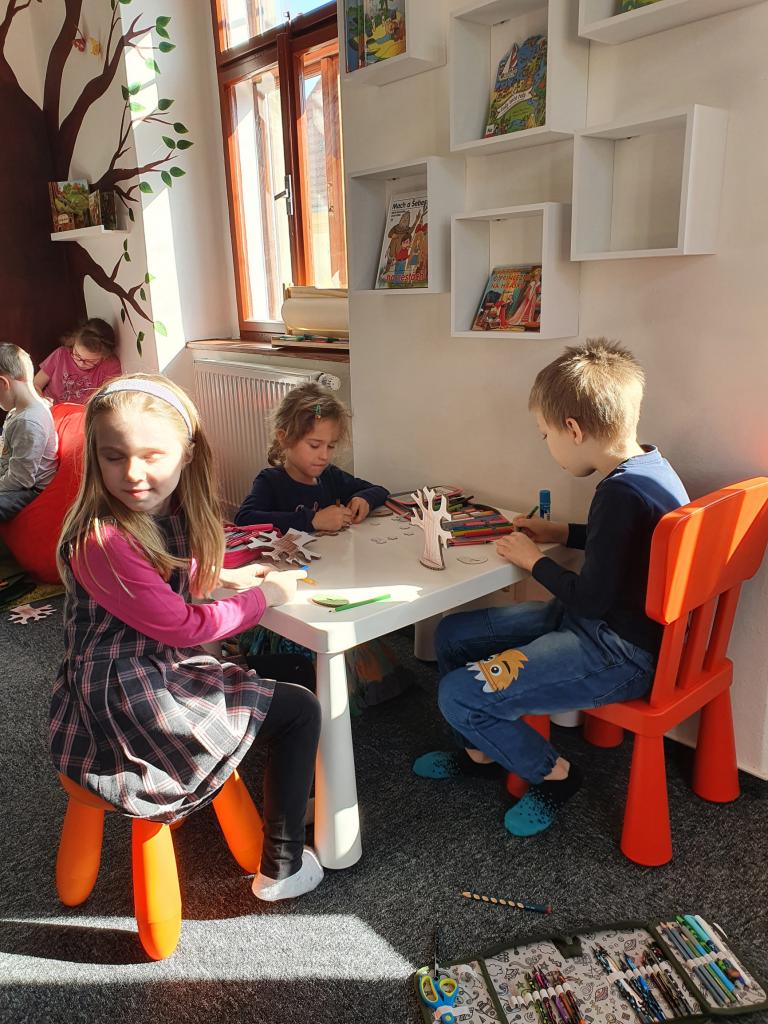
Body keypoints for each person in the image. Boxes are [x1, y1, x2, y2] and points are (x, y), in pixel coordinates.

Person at [49, 373, 323, 902]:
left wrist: (227, 576)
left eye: (152, 456)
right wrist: (266, 597)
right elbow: (183, 625)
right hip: (132, 702)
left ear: (188, 453)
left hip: (143, 676)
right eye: (113, 457)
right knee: (301, 710)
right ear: (95, 458)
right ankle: (282, 868)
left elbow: (163, 574)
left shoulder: (149, 516)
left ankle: (288, 799)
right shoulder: (103, 539)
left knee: (290, 674)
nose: (133, 474)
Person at [413, 339, 690, 838]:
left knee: (457, 695)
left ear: (574, 430)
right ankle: (480, 753)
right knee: (452, 634)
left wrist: (533, 560)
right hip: (602, 626)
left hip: (616, 652)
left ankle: (556, 775)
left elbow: (589, 597)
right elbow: (626, 546)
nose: (547, 445)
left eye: (545, 435)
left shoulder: (618, 492)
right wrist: (563, 532)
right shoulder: (650, 466)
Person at [235, 381, 389, 533]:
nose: (324, 456)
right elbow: (244, 519)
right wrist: (312, 520)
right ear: (284, 438)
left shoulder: (331, 476)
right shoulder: (270, 481)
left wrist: (364, 499)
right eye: (314, 445)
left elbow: (379, 490)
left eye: (330, 446)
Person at [0, 342, 58, 520]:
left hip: (30, 490)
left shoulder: (29, 422)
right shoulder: (18, 411)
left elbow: (21, 480)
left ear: (3, 383)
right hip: (13, 473)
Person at [34, 317, 121, 404]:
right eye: (77, 354)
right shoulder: (61, 354)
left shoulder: (110, 366)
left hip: (80, 411)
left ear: (104, 357)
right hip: (49, 406)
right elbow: (36, 384)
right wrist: (41, 400)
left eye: (90, 361)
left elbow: (109, 400)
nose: (80, 363)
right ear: (73, 342)